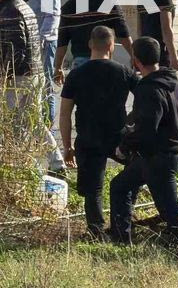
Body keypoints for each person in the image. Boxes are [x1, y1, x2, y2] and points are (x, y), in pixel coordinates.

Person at [60, 26, 138, 238]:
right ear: (112, 46)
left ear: (90, 45)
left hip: (88, 137)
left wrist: (67, 147)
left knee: (93, 189)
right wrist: (132, 123)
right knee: (137, 169)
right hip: (118, 136)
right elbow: (145, 98)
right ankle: (123, 219)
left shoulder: (75, 75)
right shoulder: (123, 72)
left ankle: (96, 231)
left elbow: (65, 114)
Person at [109, 37, 178, 245]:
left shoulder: (148, 89)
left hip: (157, 156)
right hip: (171, 152)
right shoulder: (172, 82)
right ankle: (124, 236)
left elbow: (146, 128)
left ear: (136, 61)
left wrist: (124, 146)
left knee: (170, 212)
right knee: (122, 186)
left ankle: (123, 239)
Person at [55, 0, 134, 82]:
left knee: (82, 99)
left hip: (80, 64)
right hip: (104, 62)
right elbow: (123, 34)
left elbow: (62, 41)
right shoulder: (108, 1)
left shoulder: (71, 4)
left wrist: (58, 67)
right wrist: (134, 56)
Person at [0, 0, 43, 126]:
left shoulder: (10, 10)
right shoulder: (24, 6)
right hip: (35, 70)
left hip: (18, 75)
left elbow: (16, 46)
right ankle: (52, 151)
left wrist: (6, 75)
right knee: (34, 123)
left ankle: (4, 150)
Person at [17, 0, 60, 122]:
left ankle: (47, 126)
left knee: (45, 85)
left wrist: (41, 40)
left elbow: (52, 16)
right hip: (34, 43)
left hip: (44, 44)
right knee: (35, 85)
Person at [138, 0, 178, 71]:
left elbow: (139, 28)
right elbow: (166, 29)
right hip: (160, 52)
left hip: (145, 49)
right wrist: (174, 56)